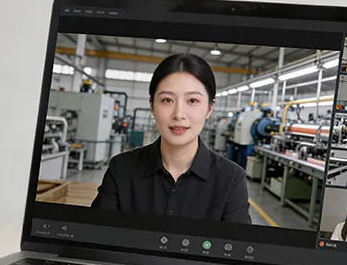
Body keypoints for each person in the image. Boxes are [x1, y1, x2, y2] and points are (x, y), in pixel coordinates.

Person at [91, 53, 251, 224]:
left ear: (210, 108)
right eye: (167, 100)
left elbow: (235, 247)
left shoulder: (231, 180)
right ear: (152, 105)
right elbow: (96, 239)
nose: (179, 114)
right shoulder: (121, 169)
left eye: (192, 100)